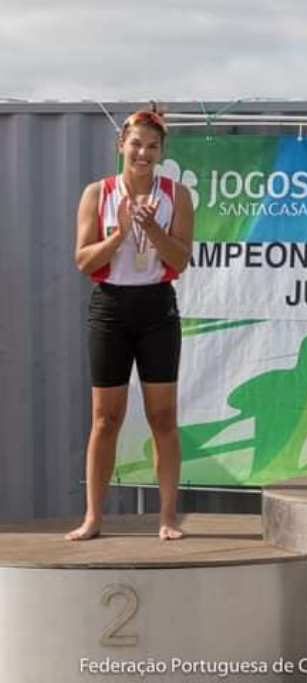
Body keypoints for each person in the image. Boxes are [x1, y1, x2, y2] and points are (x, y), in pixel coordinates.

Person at [66, 105, 194, 540]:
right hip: (111, 308)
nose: (143, 153)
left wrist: (153, 229)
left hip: (157, 308)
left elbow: (181, 259)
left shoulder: (176, 196)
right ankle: (92, 518)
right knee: (106, 419)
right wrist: (120, 233)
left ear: (161, 152)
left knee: (163, 417)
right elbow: (83, 260)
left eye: (152, 146)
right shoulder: (96, 193)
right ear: (122, 144)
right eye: (136, 144)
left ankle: (167, 517)